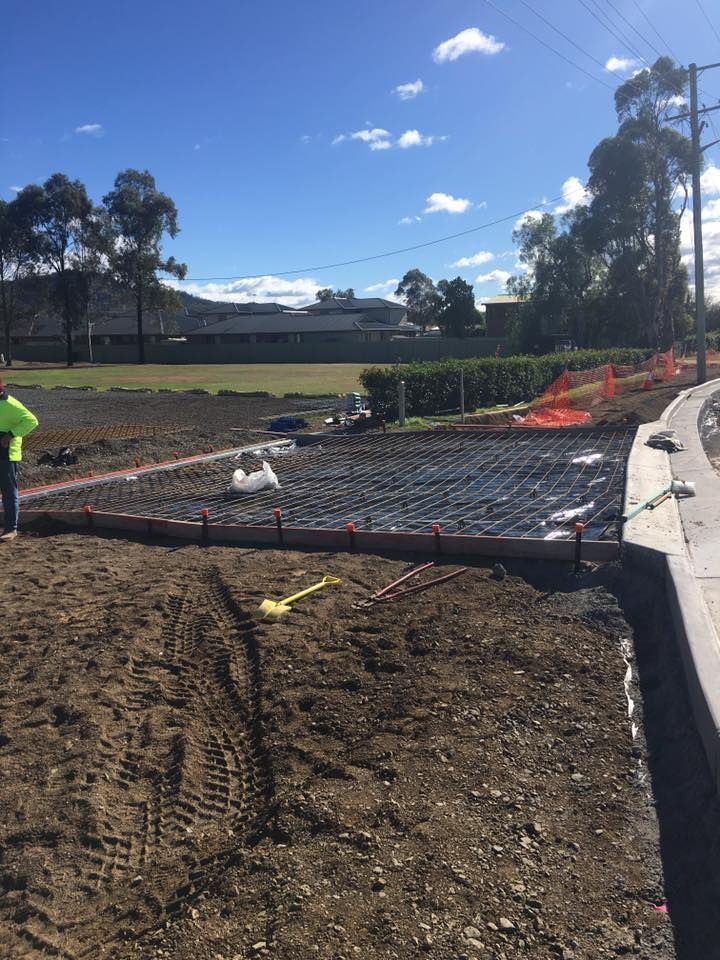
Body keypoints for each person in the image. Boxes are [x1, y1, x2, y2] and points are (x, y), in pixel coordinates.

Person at [0, 381, 39, 541]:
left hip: (7, 455)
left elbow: (32, 421)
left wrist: (11, 434)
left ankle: (11, 529)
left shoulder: (11, 405)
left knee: (9, 493)